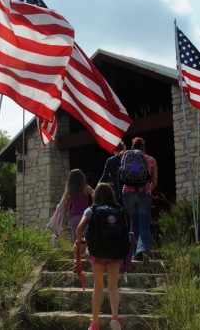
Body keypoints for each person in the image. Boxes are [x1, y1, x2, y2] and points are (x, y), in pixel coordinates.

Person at [75, 183, 126, 330]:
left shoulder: (91, 210)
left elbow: (79, 228)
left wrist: (81, 242)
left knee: (98, 286)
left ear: (95, 195)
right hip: (115, 252)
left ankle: (95, 323)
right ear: (111, 195)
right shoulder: (119, 210)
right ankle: (115, 317)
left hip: (97, 252)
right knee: (113, 286)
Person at [122, 136, 158, 264]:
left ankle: (132, 253)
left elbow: (121, 173)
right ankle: (143, 251)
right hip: (144, 193)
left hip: (127, 193)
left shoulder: (125, 156)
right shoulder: (151, 159)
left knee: (133, 222)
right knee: (144, 224)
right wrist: (147, 190)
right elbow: (155, 182)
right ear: (143, 147)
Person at [63, 169, 95, 242]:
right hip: (86, 215)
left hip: (74, 217)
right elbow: (95, 194)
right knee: (88, 238)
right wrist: (93, 205)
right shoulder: (85, 187)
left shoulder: (69, 190)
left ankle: (78, 253)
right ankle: (87, 252)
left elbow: (67, 205)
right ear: (82, 177)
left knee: (78, 240)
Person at [98, 141, 126, 206]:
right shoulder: (128, 159)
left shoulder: (110, 160)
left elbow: (104, 177)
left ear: (114, 150)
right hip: (128, 190)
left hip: (116, 191)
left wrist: (97, 187)